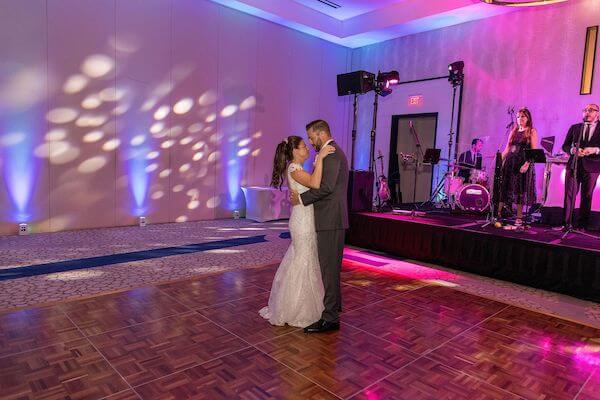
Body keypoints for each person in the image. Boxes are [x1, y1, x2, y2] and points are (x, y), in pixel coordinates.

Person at [259, 136, 335, 327]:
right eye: (303, 147)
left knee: (304, 258)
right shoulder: (294, 168)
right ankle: (296, 308)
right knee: (303, 259)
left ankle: (300, 304)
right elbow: (315, 184)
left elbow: (309, 189)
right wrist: (321, 158)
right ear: (294, 151)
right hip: (302, 221)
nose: (308, 149)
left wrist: (317, 162)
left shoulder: (297, 168)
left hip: (305, 217)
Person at [290, 120, 349, 333]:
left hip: (331, 220)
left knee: (329, 269)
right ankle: (334, 310)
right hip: (329, 219)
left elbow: (325, 188)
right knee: (329, 268)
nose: (310, 141)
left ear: (321, 133)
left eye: (311, 136)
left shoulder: (331, 154)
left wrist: (301, 199)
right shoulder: (329, 153)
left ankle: (330, 318)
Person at [559, 104, 600, 230]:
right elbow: (565, 145)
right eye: (585, 110)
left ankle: (582, 225)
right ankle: (566, 224)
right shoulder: (575, 127)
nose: (587, 112)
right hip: (574, 165)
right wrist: (572, 150)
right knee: (569, 195)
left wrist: (595, 150)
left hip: (592, 166)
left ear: (597, 113)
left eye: (591, 110)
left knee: (586, 196)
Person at [497, 108, 539, 227]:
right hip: (510, 163)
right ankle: (498, 214)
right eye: (518, 117)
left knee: (520, 190)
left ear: (528, 118)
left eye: (523, 117)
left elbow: (533, 151)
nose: (520, 119)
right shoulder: (513, 131)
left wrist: (526, 164)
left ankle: (519, 217)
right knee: (504, 188)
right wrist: (499, 161)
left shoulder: (531, 131)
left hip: (522, 163)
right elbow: (507, 149)